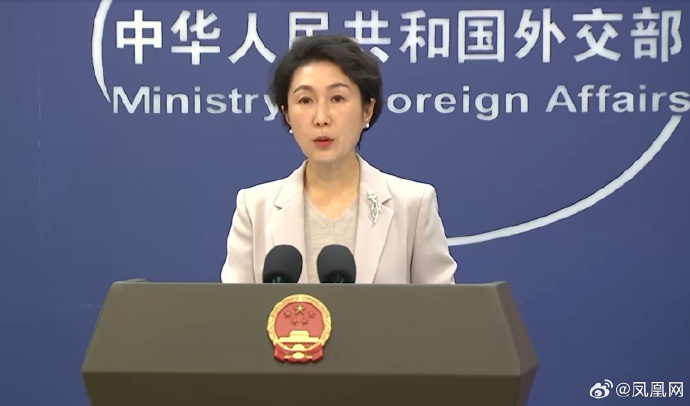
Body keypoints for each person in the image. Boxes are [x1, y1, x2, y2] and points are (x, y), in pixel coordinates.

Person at [220, 34, 457, 284]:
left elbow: (443, 306)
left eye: (337, 98)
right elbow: (234, 307)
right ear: (287, 114)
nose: (321, 118)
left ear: (367, 109)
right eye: (305, 100)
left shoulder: (413, 206)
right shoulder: (254, 209)